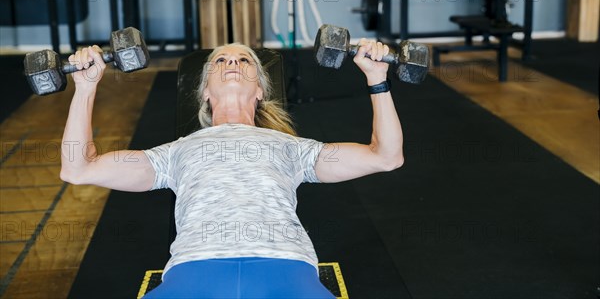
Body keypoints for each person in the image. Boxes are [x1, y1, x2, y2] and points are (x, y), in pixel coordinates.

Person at [61, 39, 404, 298]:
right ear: (205, 92)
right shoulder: (174, 153)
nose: (232, 62)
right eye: (220, 60)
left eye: (244, 59)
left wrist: (378, 79)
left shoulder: (293, 148)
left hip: (285, 266)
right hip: (195, 270)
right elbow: (78, 168)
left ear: (259, 91)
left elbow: (385, 156)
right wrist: (85, 87)